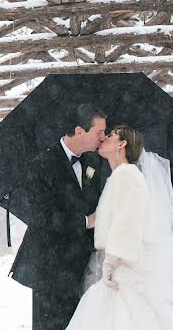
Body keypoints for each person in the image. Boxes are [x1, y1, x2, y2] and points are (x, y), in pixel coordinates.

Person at [66, 124, 173, 330]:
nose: (105, 137)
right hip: (121, 265)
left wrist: (111, 261)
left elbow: (129, 223)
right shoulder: (122, 175)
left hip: (123, 268)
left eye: (112, 135)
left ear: (122, 144)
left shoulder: (127, 175)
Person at [9, 104, 107, 330]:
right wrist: (85, 221)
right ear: (80, 131)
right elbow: (42, 217)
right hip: (49, 268)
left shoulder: (92, 162)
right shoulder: (42, 164)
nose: (102, 137)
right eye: (98, 132)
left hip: (82, 265)